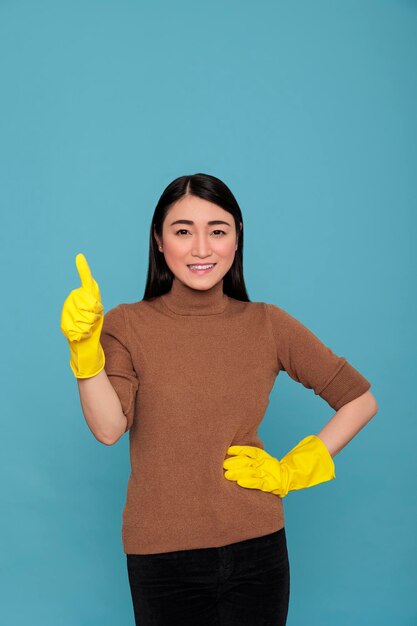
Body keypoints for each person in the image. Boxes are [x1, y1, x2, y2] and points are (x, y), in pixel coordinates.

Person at [60, 172, 378, 625]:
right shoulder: (125, 325)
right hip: (162, 559)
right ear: (159, 240)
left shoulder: (268, 324)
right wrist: (84, 353)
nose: (202, 249)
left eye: (218, 231)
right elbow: (110, 428)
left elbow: (360, 401)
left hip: (258, 549)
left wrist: (292, 470)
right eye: (183, 231)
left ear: (237, 237)